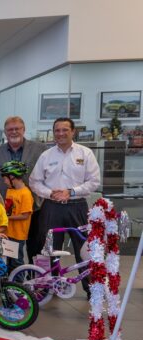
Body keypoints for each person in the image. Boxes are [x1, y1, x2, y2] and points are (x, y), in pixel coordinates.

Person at [29, 117, 101, 293]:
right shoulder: (46, 155)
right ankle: (48, 287)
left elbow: (94, 181)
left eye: (65, 130)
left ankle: (91, 289)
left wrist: (72, 191)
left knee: (84, 248)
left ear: (73, 131)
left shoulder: (85, 153)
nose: (60, 134)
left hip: (78, 206)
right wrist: (50, 193)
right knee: (48, 248)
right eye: (57, 130)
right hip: (52, 207)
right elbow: (34, 182)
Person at [0, 116, 47, 262]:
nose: (14, 132)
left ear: (23, 129)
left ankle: (35, 278)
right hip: (8, 211)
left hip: (35, 206)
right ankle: (14, 279)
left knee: (36, 246)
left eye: (17, 129)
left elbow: (48, 175)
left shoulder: (40, 149)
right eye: (10, 129)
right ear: (5, 132)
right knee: (11, 249)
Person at [0, 161, 34, 269]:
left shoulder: (25, 193)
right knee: (8, 261)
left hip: (17, 235)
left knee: (16, 262)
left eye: (5, 178)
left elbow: (25, 215)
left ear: (12, 177)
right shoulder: (10, 190)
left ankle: (19, 284)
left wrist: (6, 217)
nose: (4, 181)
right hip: (8, 232)